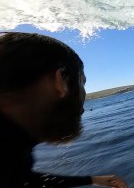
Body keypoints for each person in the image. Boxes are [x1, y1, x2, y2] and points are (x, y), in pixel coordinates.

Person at [0, 32, 127, 188]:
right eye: (83, 83)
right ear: (61, 81)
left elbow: (23, 177)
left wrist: (93, 180)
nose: (84, 94)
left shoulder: (11, 150)